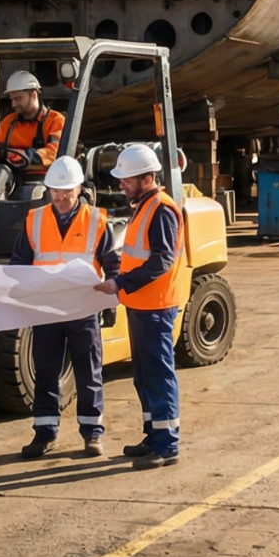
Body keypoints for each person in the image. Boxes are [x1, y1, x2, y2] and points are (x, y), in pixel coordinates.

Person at [11, 155, 118, 459]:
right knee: (45, 374)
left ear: (79, 189)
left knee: (89, 373)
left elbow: (112, 264)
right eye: (54, 191)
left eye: (66, 191)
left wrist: (110, 302)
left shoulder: (96, 220)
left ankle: (92, 434)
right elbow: (20, 261)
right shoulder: (35, 219)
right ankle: (44, 434)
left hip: (83, 311)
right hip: (47, 311)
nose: (60, 197)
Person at [99, 143, 186, 468]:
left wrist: (121, 283)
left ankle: (166, 446)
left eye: (127, 179)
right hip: (141, 305)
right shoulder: (146, 206)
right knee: (145, 375)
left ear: (146, 178)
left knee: (158, 375)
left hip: (156, 307)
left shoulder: (161, 209)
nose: (121, 184)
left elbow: (160, 261)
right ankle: (154, 435)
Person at [0, 70, 66, 173]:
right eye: (12, 99)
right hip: (10, 178)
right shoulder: (9, 121)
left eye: (18, 98)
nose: (13, 104)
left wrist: (25, 155)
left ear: (33, 95)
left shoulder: (55, 120)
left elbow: (53, 153)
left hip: (43, 180)